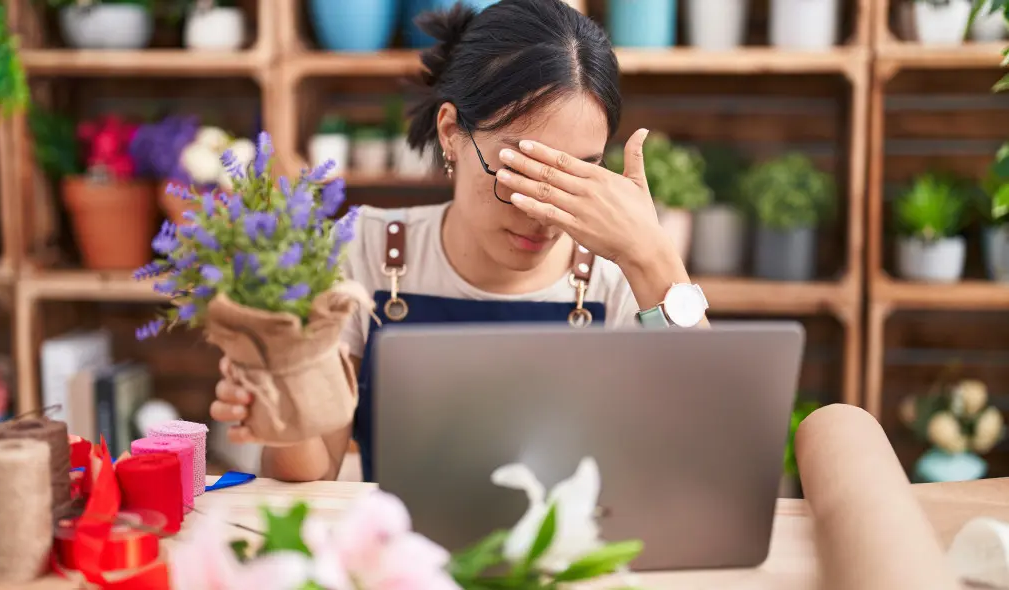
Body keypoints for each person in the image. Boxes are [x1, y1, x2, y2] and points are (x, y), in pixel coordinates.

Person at [210, 0, 710, 482]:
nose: (541, 213)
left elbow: (702, 453)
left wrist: (653, 255)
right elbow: (314, 474)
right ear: (451, 132)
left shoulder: (622, 275)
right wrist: (281, 400)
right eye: (518, 171)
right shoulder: (364, 248)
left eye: (577, 176)